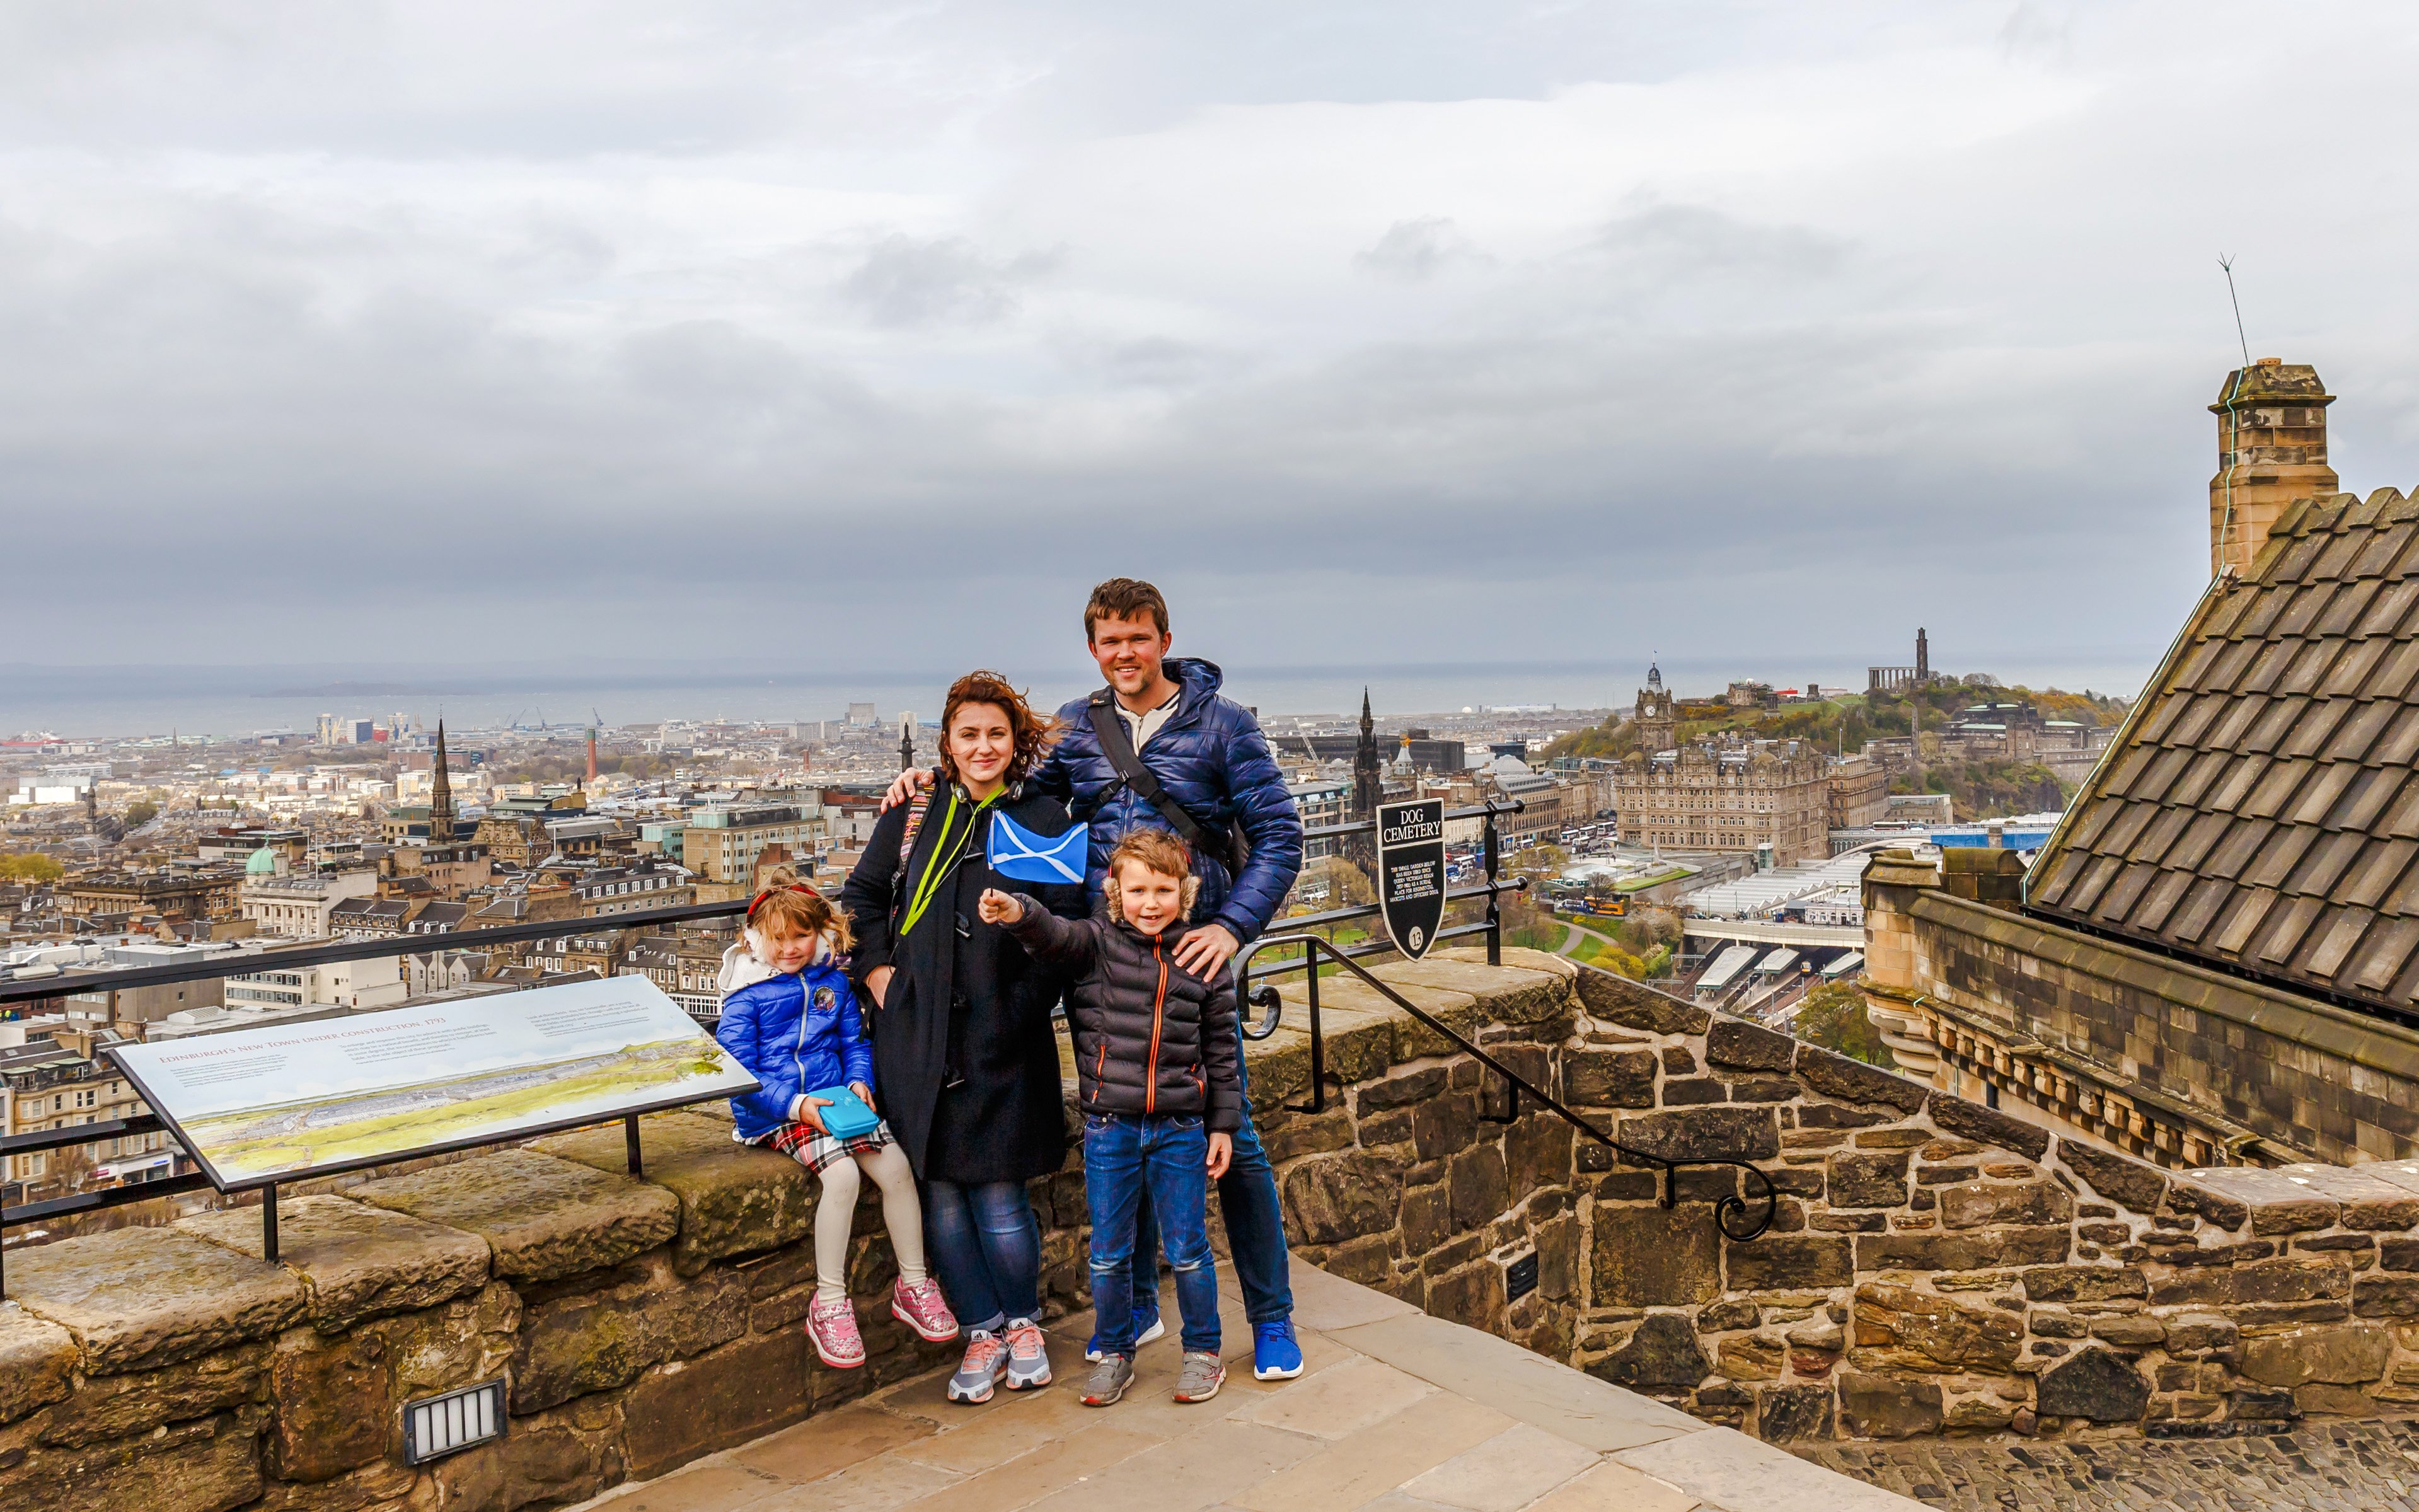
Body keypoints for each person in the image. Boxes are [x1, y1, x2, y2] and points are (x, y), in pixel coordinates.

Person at [885, 577, 1308, 1380]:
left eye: (1138, 638)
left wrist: (1227, 927)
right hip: (1103, 963)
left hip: (1190, 959)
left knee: (1236, 1140)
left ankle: (1272, 1317)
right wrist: (925, 785)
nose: (1125, 653)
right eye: (1110, 641)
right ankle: (1142, 1309)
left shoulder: (1224, 725)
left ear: (1163, 639)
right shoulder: (1078, 729)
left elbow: (1279, 836)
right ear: (1093, 648)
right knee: (1122, 1122)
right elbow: (1009, 802)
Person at [841, 671, 1089, 1404]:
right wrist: (880, 976)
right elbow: (860, 897)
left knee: (1002, 1197)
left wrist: (1018, 1012)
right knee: (942, 1196)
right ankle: (982, 1329)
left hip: (1001, 1033)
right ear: (947, 743)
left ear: (1017, 743)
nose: (983, 747)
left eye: (996, 734)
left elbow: (1066, 924)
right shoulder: (916, 810)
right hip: (914, 1036)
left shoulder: (1045, 815)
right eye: (968, 734)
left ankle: (1024, 1324)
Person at [979, 826, 1240, 1407]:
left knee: (1189, 1247)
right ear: (1115, 892)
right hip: (1110, 1126)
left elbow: (1222, 1050)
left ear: (1186, 892)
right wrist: (1019, 910)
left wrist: (1223, 1125)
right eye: (1140, 890)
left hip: (1179, 1126)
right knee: (1109, 1251)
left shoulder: (1201, 955)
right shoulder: (1096, 943)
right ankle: (1116, 1351)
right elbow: (1053, 935)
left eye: (1165, 890)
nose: (1153, 903)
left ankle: (1203, 1352)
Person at [714, 874, 959, 1370]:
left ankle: (913, 1283)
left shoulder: (833, 981)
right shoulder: (746, 994)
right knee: (843, 1175)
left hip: (834, 1100)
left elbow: (855, 1043)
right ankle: (829, 1302)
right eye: (778, 938)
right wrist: (797, 1106)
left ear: (820, 932)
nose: (790, 949)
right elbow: (740, 1070)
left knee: (895, 1168)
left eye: (800, 937)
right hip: (776, 1110)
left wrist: (858, 1081)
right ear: (759, 937)